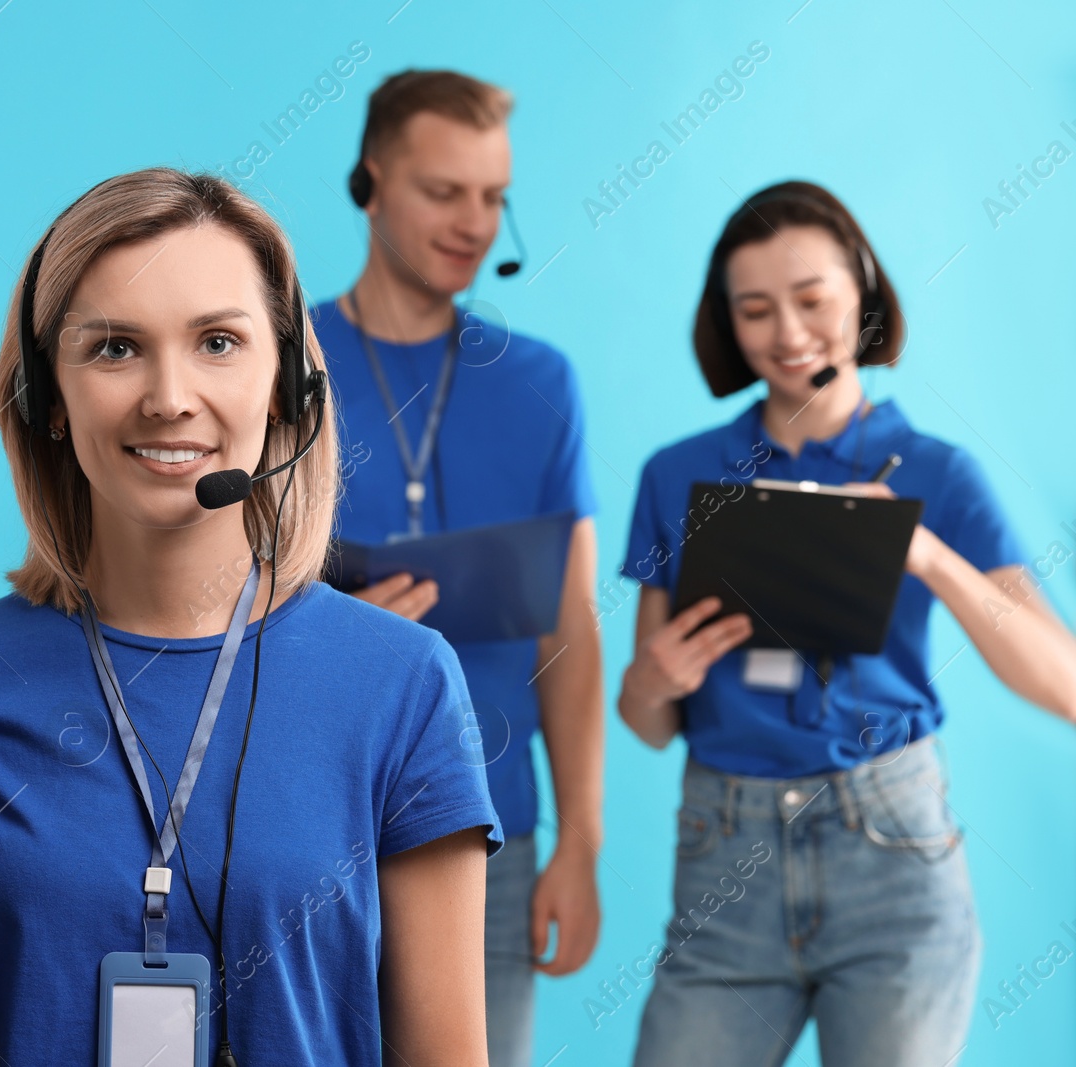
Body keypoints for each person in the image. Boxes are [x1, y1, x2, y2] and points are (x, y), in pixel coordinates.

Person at [0, 167, 501, 1066]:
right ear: (46, 399)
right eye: (114, 348)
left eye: (218, 342)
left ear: (287, 384)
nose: (169, 396)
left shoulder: (404, 681)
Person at [616, 180, 1076, 1066]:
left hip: (893, 858)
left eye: (814, 300)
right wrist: (651, 682)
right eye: (755, 311)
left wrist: (927, 553)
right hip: (723, 854)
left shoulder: (940, 473)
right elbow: (645, 723)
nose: (788, 335)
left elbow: (1063, 681)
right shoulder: (676, 475)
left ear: (863, 291)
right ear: (729, 325)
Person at [310, 69, 603, 1066]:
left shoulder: (541, 382)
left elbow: (570, 630)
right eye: (444, 191)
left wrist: (582, 840)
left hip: (493, 835)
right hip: (303, 825)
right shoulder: (273, 360)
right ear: (370, 183)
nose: (474, 222)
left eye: (493, 196)